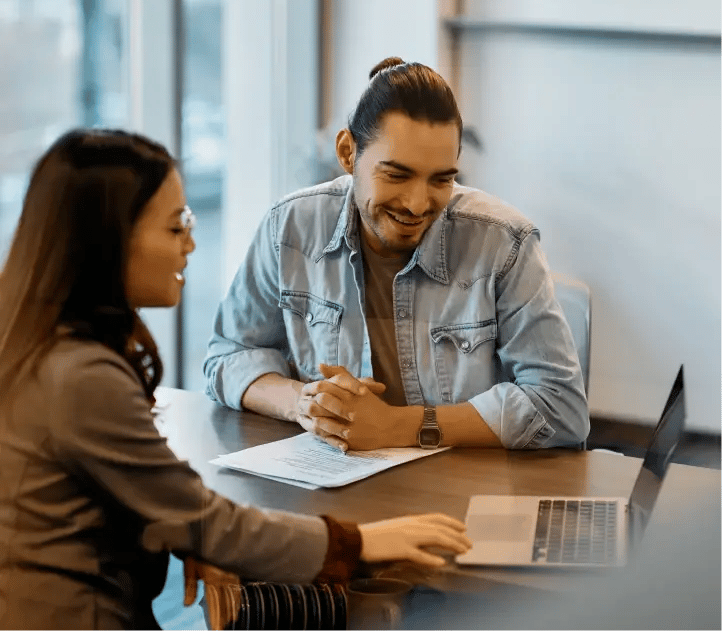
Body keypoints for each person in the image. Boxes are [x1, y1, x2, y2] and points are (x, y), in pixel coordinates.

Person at [0, 128, 472, 631]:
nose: (191, 243)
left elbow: (171, 512)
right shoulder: (82, 377)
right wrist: (362, 543)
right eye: (175, 225)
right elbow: (203, 520)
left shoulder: (41, 347)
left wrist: (192, 534)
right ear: (109, 238)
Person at [204, 56, 590, 453]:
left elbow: (560, 407)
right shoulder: (290, 228)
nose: (417, 204)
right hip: (334, 484)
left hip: (458, 489)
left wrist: (402, 426)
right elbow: (228, 355)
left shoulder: (505, 243)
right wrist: (302, 403)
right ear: (347, 152)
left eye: (441, 179)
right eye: (397, 175)